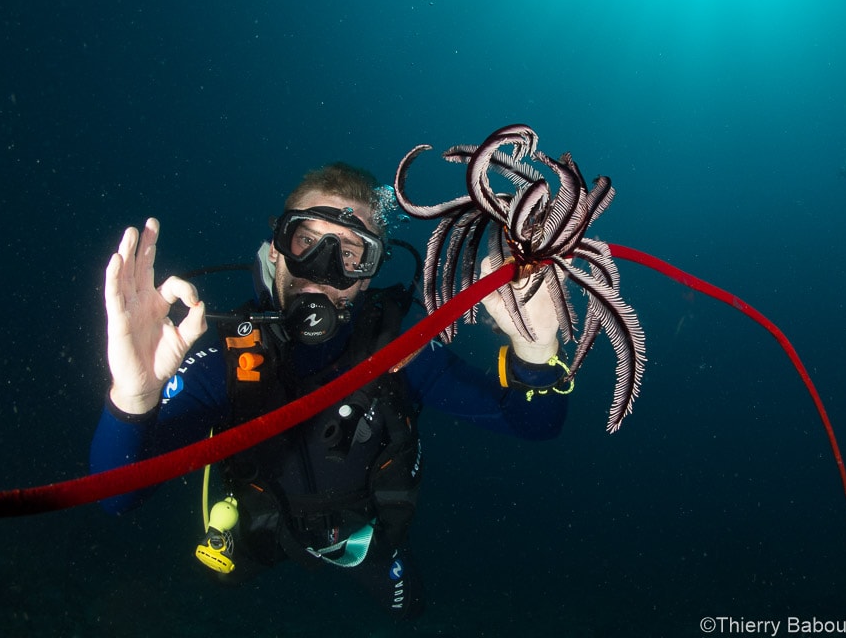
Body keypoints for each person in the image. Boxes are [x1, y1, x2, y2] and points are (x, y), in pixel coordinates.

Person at [90, 162, 571, 619]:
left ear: (370, 275)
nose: (323, 269)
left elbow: (534, 424)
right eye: (307, 241)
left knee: (410, 609)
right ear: (276, 247)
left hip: (364, 539)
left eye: (350, 253)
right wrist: (134, 397)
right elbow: (117, 497)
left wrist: (536, 352)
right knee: (222, 584)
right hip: (263, 527)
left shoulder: (398, 350)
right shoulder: (228, 357)